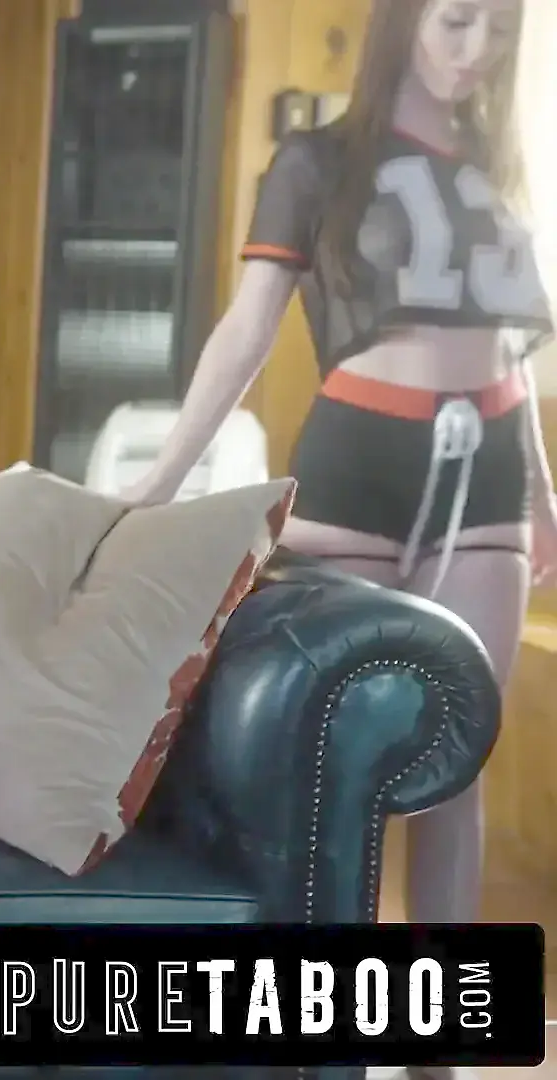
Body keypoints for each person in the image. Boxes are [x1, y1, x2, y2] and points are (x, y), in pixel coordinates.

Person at [127, 0, 547, 940]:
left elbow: (510, 349)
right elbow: (248, 330)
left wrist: (544, 495)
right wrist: (161, 479)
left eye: (500, 31)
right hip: (359, 464)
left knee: (461, 761)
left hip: (490, 475)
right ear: (404, 21)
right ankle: (319, 1000)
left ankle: (449, 1010)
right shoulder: (317, 161)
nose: (478, 50)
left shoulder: (499, 164)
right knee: (332, 762)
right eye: (457, 22)